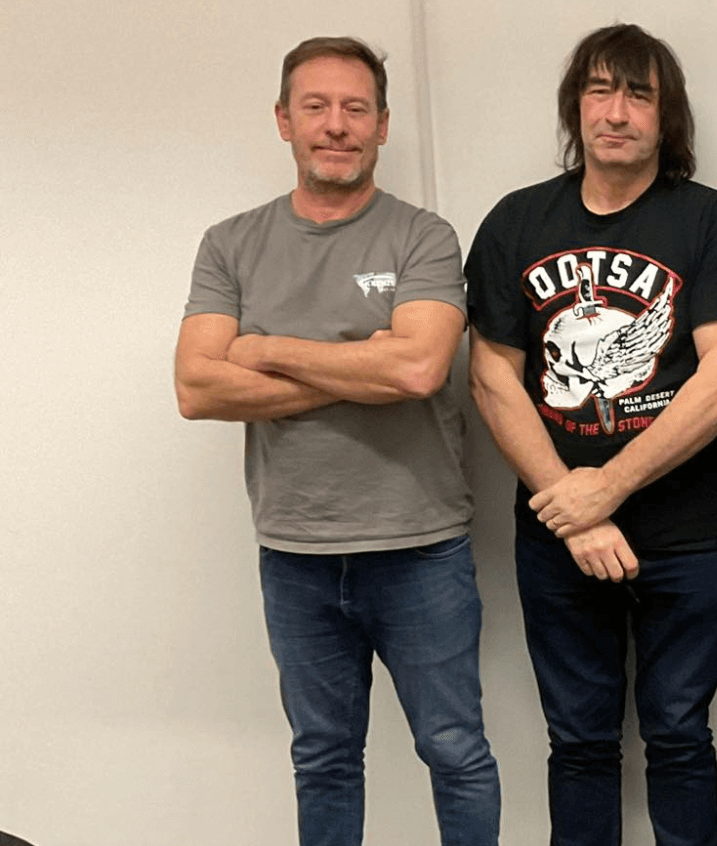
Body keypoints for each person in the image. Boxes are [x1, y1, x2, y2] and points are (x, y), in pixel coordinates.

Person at [173, 36, 498, 846]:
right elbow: (195, 387)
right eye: (316, 107)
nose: (337, 125)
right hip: (295, 554)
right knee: (322, 756)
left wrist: (268, 348)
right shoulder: (230, 244)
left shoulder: (424, 236)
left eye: (356, 108)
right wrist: (366, 361)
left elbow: (421, 369)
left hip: (419, 547)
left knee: (455, 751)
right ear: (284, 120)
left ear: (383, 125)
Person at [463, 23, 717, 846]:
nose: (618, 111)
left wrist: (610, 486)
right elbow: (492, 377)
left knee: (678, 738)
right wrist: (579, 509)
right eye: (601, 90)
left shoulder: (708, 221)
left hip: (688, 535)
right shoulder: (517, 221)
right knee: (581, 744)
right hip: (560, 536)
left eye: (640, 93)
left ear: (667, 118)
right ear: (576, 107)